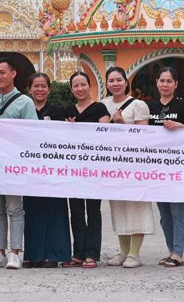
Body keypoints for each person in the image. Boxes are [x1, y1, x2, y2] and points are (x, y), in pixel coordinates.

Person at [0, 57, 34, 270]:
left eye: (3, 72)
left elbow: (31, 134)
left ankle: (15, 252)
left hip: (14, 162)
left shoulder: (25, 102)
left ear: (13, 74)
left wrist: (2, 125)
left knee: (14, 208)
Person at [99, 66, 154, 269]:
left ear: (126, 81)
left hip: (135, 165)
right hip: (114, 164)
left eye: (119, 80)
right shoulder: (103, 104)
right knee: (119, 207)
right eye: (111, 80)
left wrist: (122, 124)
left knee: (136, 207)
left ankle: (135, 253)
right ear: (106, 84)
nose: (115, 84)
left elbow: (144, 136)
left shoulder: (138, 105)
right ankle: (123, 252)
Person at [147, 66, 184, 267]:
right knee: (164, 214)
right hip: (157, 168)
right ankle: (170, 250)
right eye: (162, 80)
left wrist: (180, 127)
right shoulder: (149, 108)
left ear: (176, 84)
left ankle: (178, 252)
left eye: (169, 81)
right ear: (156, 83)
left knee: (177, 211)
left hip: (177, 166)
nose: (165, 84)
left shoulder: (183, 107)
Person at [61, 71, 110, 269]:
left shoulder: (100, 108)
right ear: (71, 89)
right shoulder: (68, 111)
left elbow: (105, 134)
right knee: (76, 210)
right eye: (75, 85)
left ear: (90, 86)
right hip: (73, 168)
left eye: (83, 84)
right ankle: (78, 253)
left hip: (94, 167)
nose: (80, 89)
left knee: (93, 210)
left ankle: (92, 253)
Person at [22, 72, 70, 269]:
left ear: (49, 89)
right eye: (36, 86)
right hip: (29, 169)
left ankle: (54, 254)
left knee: (55, 210)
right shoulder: (25, 109)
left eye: (43, 86)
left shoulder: (58, 111)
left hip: (53, 169)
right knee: (32, 211)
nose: (40, 89)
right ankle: (33, 255)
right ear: (29, 89)